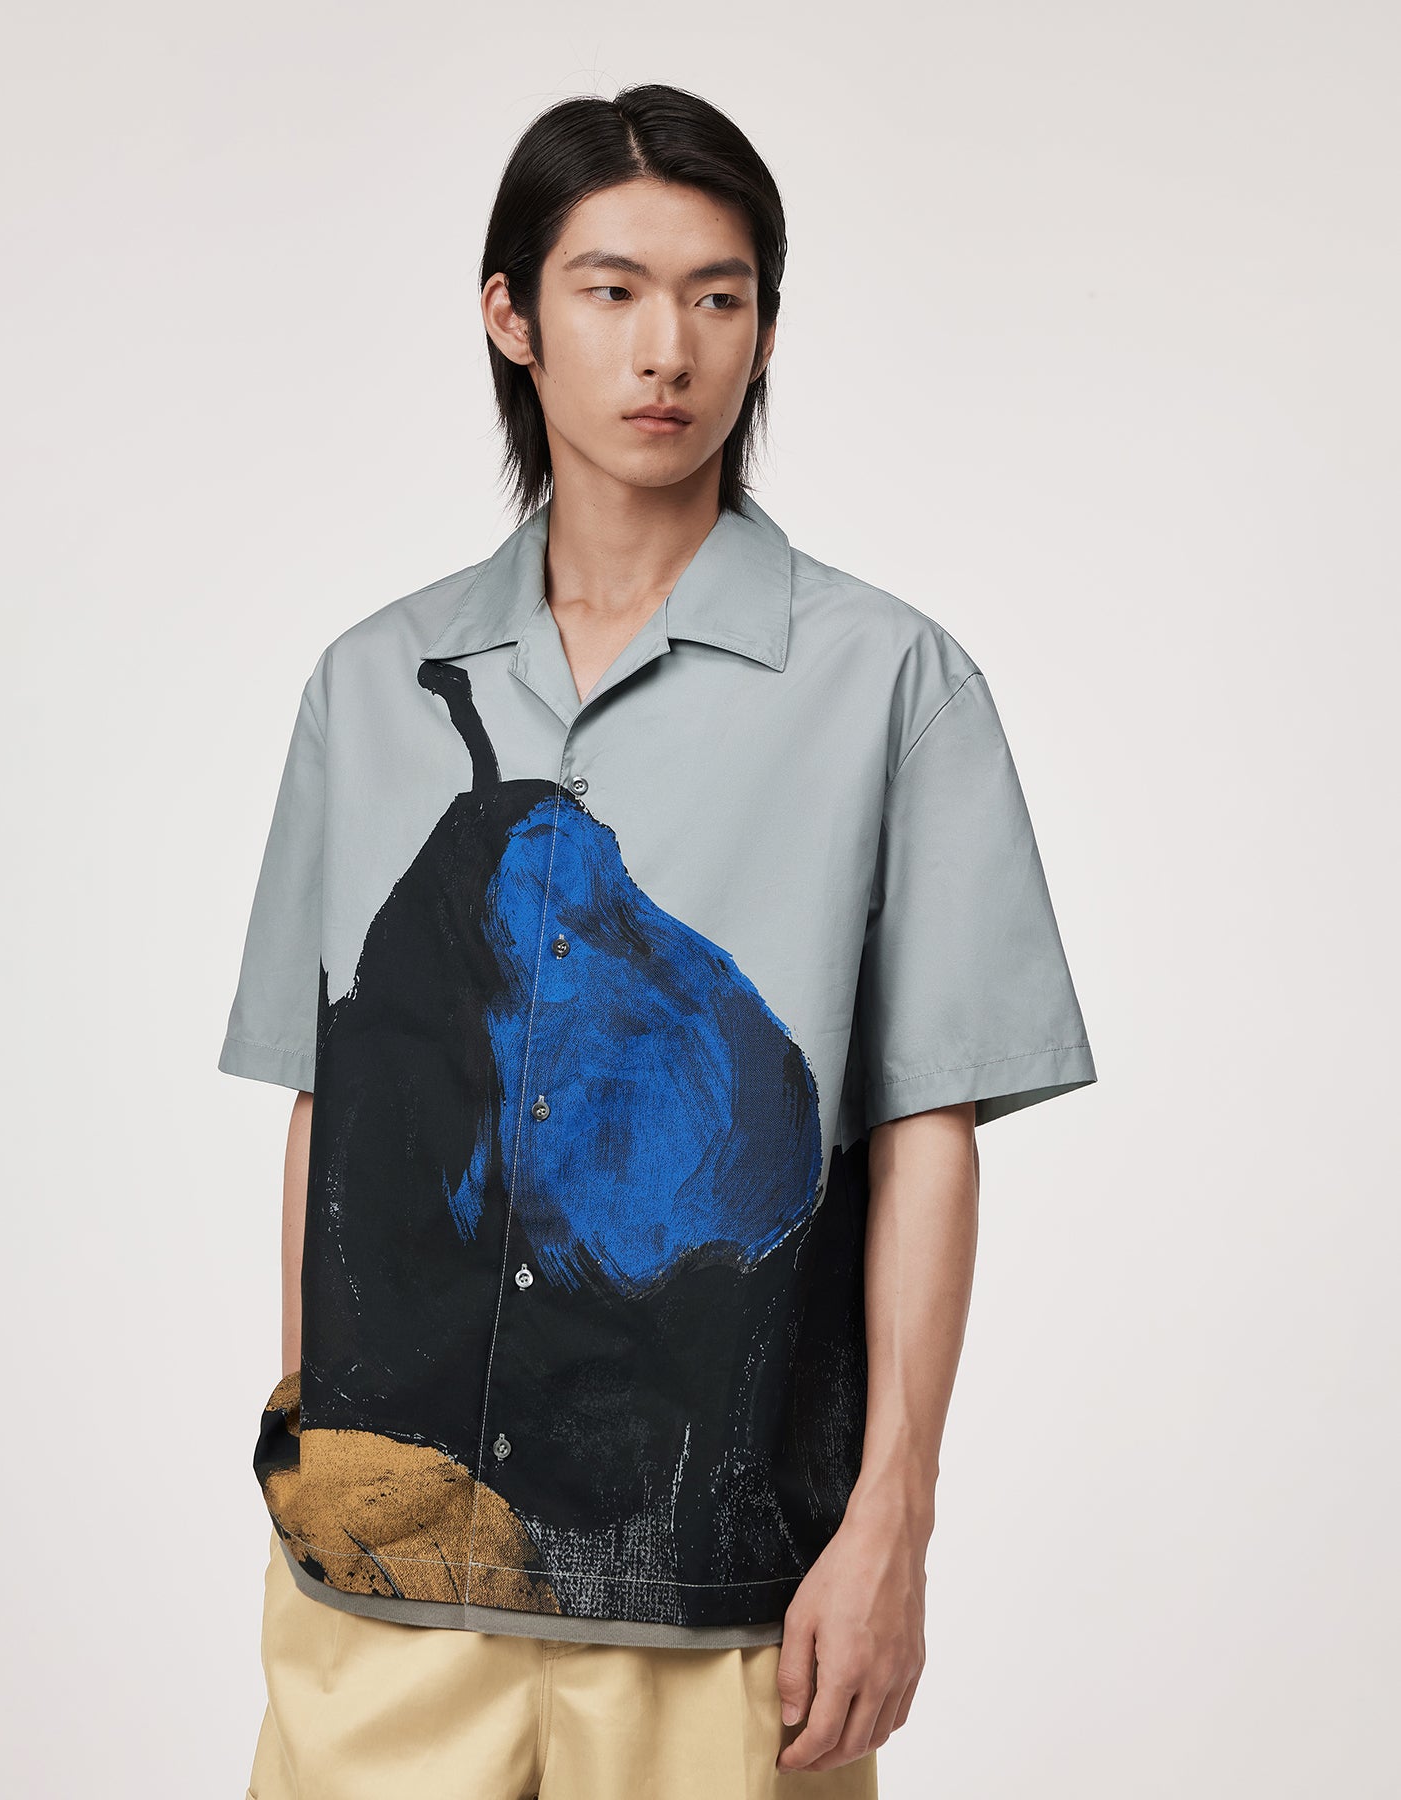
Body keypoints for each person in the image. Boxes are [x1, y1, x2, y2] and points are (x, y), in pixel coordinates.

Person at [218, 82, 1096, 1800]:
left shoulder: (891, 687)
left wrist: (894, 1521)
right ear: (512, 317)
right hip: (385, 1600)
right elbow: (329, 1099)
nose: (667, 349)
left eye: (719, 296)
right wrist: (324, 1433)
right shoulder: (374, 686)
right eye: (611, 290)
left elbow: (929, 1131)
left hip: (727, 1607)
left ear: (764, 329)